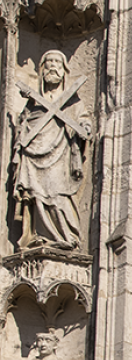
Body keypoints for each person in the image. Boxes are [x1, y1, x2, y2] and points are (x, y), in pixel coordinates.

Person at [11, 50, 91, 250]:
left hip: (60, 153)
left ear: (64, 71)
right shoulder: (34, 101)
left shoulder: (72, 101)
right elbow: (25, 124)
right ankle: (35, 236)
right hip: (34, 152)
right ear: (42, 69)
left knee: (57, 195)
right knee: (36, 195)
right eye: (49, 63)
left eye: (57, 63)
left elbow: (83, 120)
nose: (52, 67)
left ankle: (65, 237)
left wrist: (85, 129)